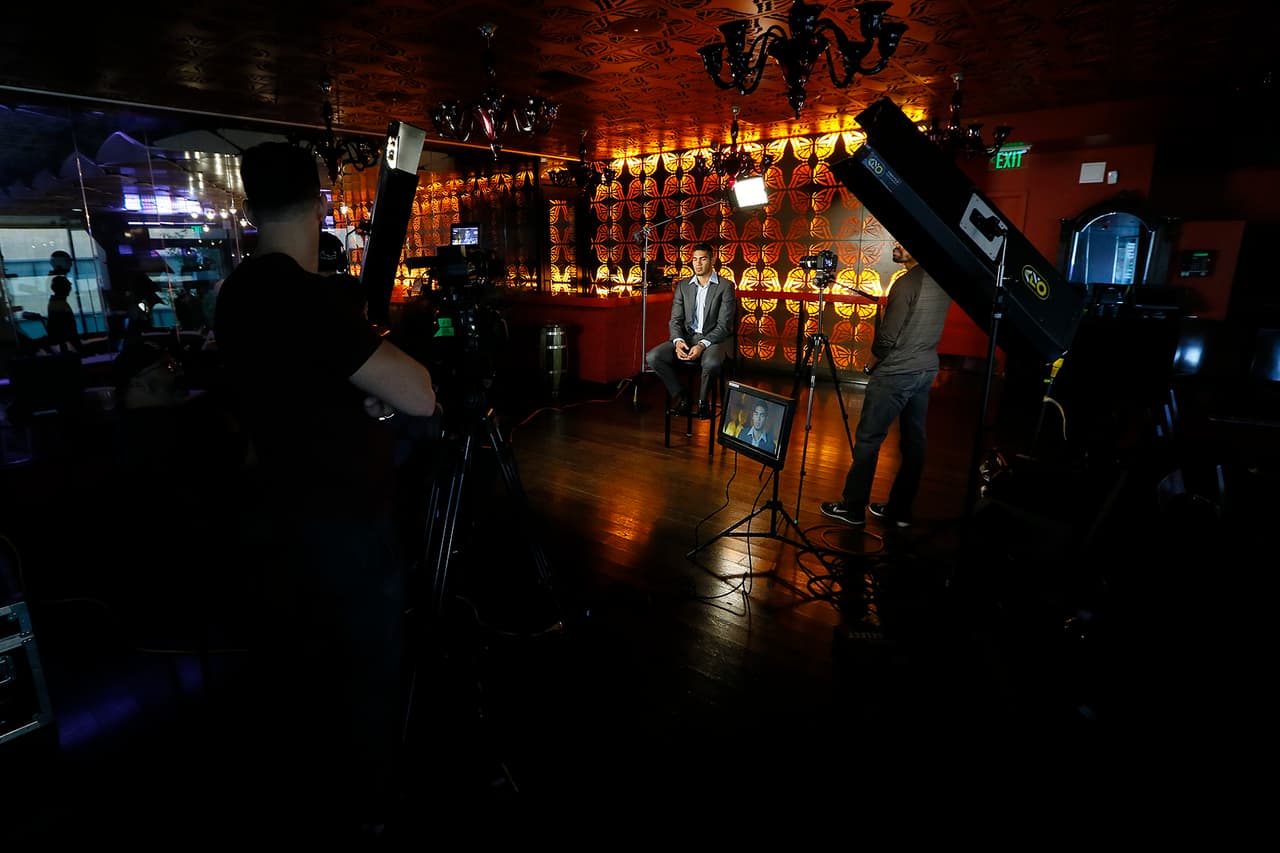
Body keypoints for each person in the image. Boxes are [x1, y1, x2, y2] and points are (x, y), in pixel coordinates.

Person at [213, 141, 438, 836]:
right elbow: (421, 394)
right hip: (344, 528)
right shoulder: (303, 296)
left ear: (251, 207)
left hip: (276, 520)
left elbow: (293, 394)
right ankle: (369, 815)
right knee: (368, 680)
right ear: (319, 202)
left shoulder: (238, 293)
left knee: (308, 675)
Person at [821, 241, 951, 529]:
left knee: (869, 439)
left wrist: (870, 363)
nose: (896, 245)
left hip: (895, 373)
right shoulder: (943, 280)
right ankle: (900, 511)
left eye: (905, 243)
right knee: (914, 443)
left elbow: (887, 337)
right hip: (925, 369)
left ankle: (853, 508)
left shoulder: (904, 284)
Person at [645, 241, 736, 420]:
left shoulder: (726, 286)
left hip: (713, 340)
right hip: (687, 337)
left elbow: (724, 326)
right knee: (653, 357)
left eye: (702, 259)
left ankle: (703, 403)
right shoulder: (683, 286)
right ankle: (681, 395)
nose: (698, 263)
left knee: (711, 364)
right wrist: (678, 341)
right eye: (694, 259)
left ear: (712, 260)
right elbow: (675, 320)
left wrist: (702, 345)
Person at [45, 274, 82, 354]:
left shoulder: (57, 302)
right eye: (68, 285)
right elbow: (64, 328)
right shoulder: (58, 305)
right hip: (67, 345)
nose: (70, 287)